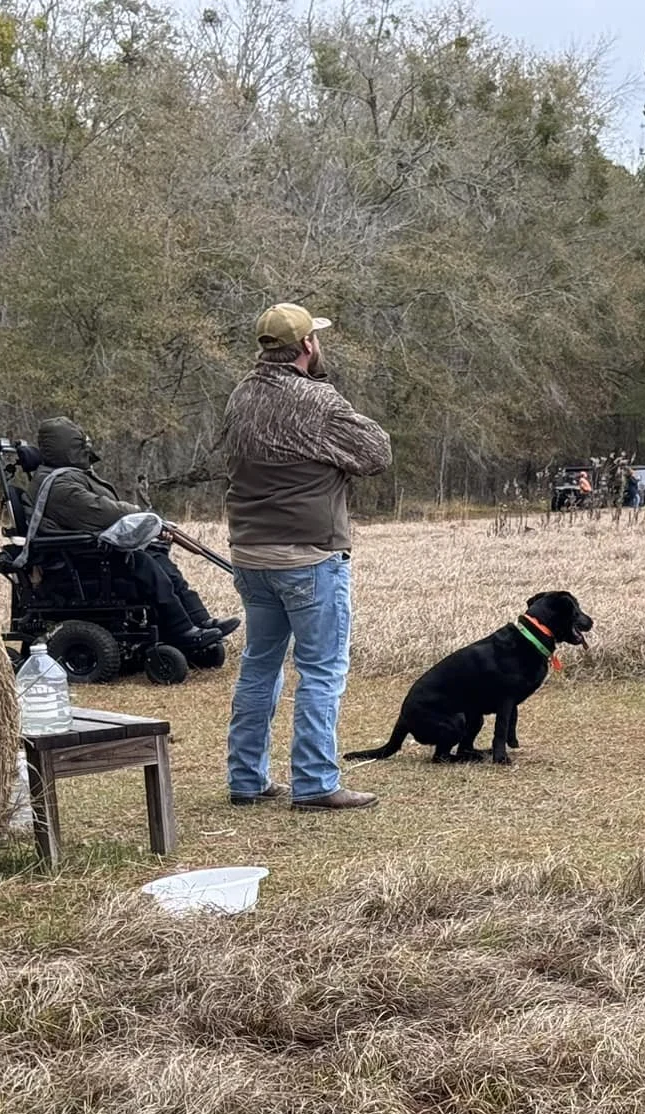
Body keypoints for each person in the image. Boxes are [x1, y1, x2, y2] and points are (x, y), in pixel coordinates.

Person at [223, 302, 392, 811]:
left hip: (249, 555)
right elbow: (377, 453)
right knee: (321, 670)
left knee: (259, 665)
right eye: (316, 338)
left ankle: (246, 779)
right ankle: (316, 783)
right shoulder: (317, 400)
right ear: (307, 346)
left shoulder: (240, 396)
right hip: (309, 557)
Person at [25, 416, 235, 651]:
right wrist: (141, 516)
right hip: (75, 562)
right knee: (144, 562)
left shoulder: (66, 476)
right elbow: (106, 514)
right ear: (67, 448)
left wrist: (148, 532)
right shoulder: (59, 485)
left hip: (88, 553)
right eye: (80, 445)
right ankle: (180, 630)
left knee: (158, 557)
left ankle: (198, 620)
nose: (87, 449)